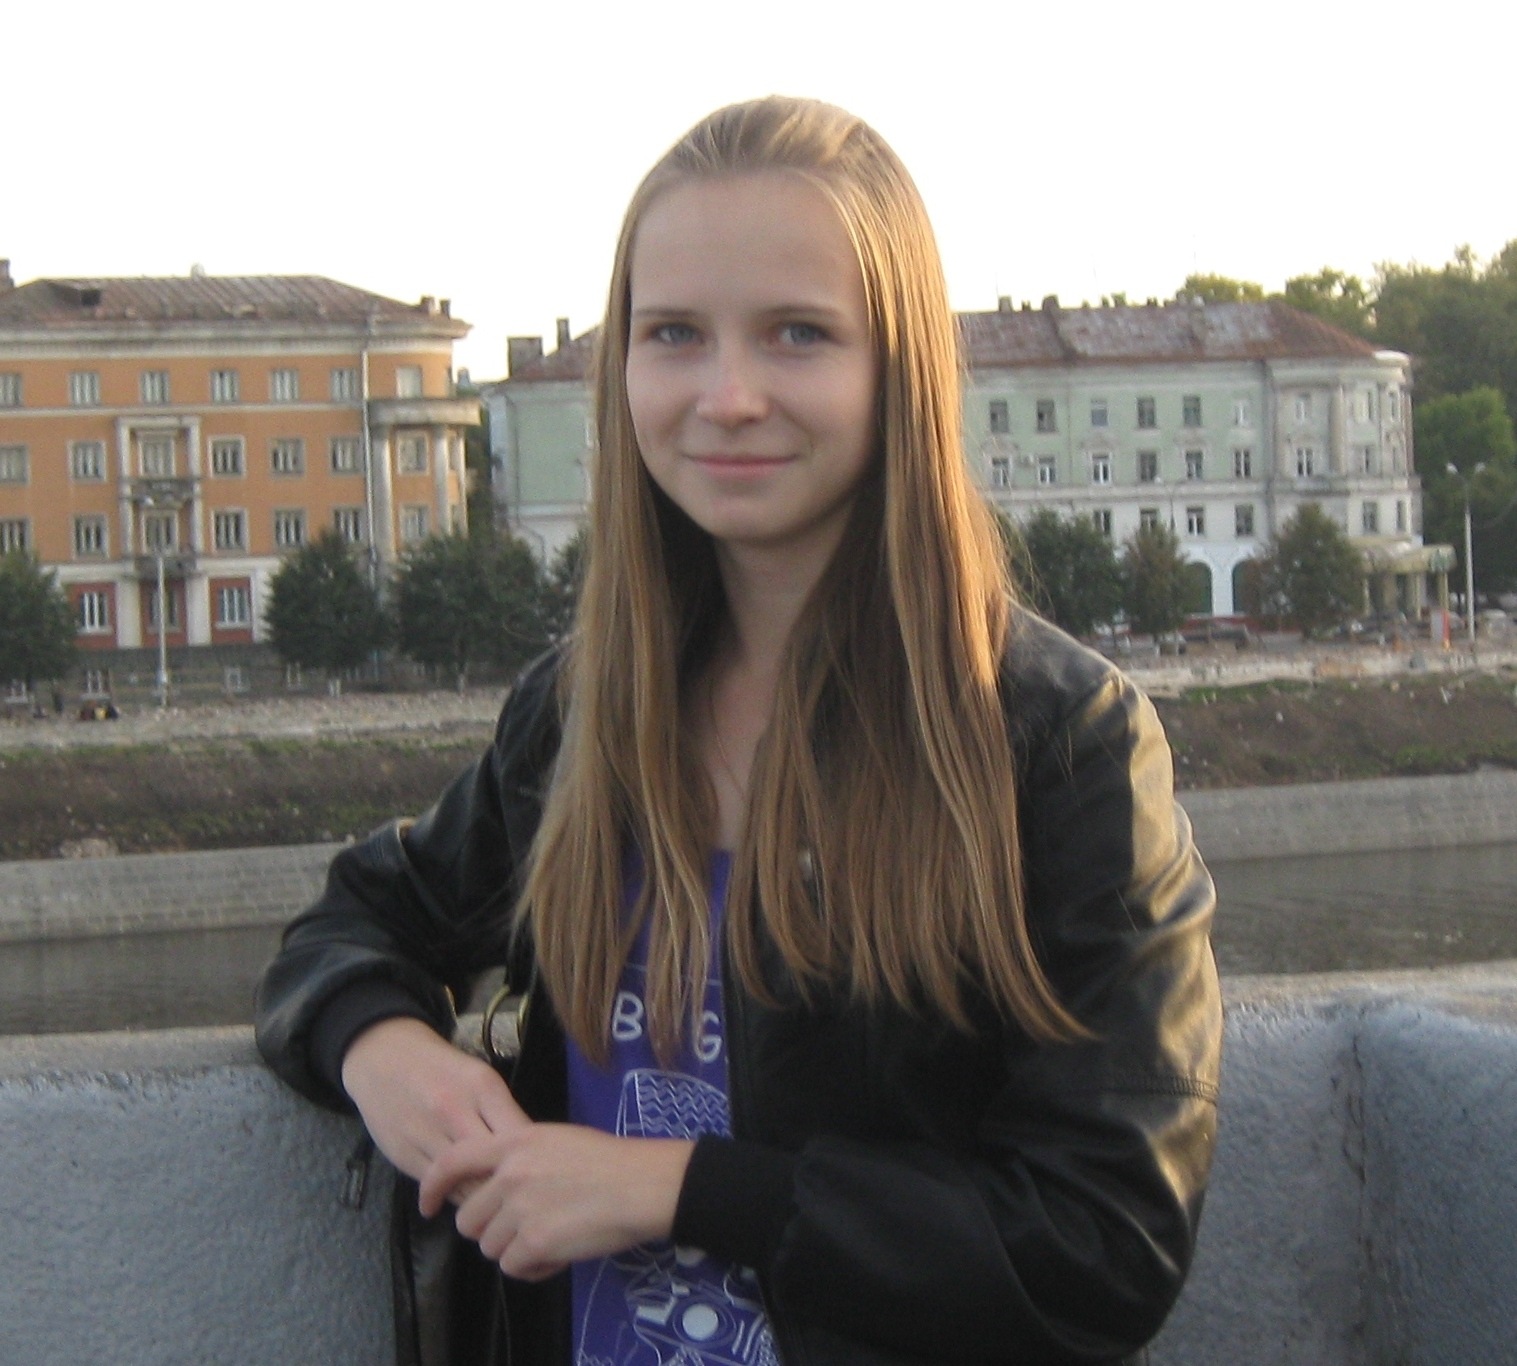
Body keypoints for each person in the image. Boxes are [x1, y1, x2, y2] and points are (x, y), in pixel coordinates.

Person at [257, 96, 1221, 1366]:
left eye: (796, 335)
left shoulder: (1057, 742)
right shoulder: (583, 713)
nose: (726, 395)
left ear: (897, 368)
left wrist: (674, 1185)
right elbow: (351, 922)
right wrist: (380, 1050)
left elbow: (1104, 1242)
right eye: (672, 334)